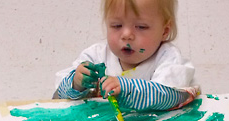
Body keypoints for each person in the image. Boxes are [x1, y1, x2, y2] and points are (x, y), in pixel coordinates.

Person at [53, 0, 199, 111]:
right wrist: (77, 84)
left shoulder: (169, 58)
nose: (126, 35)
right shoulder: (95, 56)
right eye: (117, 26)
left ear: (165, 31)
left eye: (141, 27)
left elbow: (170, 96)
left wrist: (126, 88)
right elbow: (58, 97)